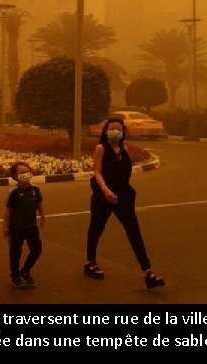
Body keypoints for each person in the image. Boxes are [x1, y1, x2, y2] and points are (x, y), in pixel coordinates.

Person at [84, 117, 166, 289]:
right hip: (103, 194)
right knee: (96, 228)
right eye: (112, 128)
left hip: (123, 195)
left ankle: (148, 272)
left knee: (134, 232)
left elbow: (126, 172)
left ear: (123, 131)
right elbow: (97, 172)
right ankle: (90, 262)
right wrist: (106, 191)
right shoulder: (101, 148)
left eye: (119, 129)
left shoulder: (125, 149)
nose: (116, 131)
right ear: (106, 130)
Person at [3, 161, 44, 289]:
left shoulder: (35, 189)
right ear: (15, 176)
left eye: (27, 171)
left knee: (36, 249)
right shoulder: (13, 192)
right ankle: (15, 276)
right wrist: (5, 226)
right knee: (15, 252)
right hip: (16, 228)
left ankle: (25, 271)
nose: (25, 174)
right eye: (21, 172)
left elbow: (39, 204)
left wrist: (43, 217)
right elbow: (7, 211)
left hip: (31, 226)